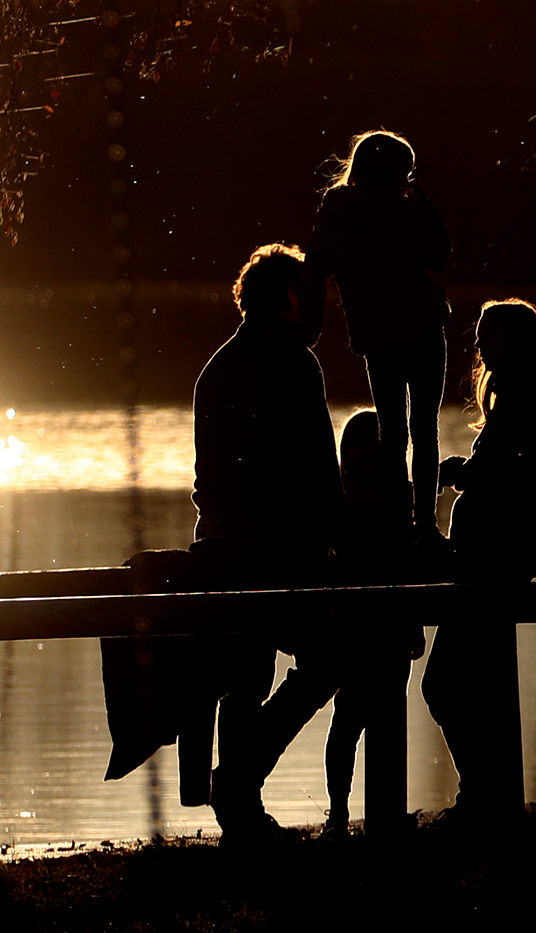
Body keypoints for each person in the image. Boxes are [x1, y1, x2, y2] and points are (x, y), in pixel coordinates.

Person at [191, 242, 346, 845]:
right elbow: (318, 466)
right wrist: (336, 537)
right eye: (307, 295)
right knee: (328, 657)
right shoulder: (295, 365)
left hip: (228, 546)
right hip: (281, 549)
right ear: (287, 297)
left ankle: (240, 804)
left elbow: (212, 479)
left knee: (245, 676)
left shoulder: (217, 367)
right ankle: (238, 782)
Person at [422, 299, 536, 820]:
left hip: (492, 557)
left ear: (519, 341)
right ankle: (488, 796)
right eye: (479, 336)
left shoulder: (524, 401)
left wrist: (465, 474)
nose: (480, 346)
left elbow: (517, 479)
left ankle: (481, 794)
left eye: (491, 336)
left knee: (444, 684)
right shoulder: (518, 400)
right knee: (475, 684)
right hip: (486, 555)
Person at [299, 130, 452, 545]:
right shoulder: (399, 208)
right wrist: (424, 207)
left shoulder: (335, 210)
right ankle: (425, 524)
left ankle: (396, 524)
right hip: (422, 329)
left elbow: (315, 269)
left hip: (376, 337)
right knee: (424, 430)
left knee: (392, 432)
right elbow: (438, 254)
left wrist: (305, 332)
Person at [322, 409, 427, 837]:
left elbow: (411, 563)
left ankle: (387, 812)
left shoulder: (401, 498)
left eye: (376, 445)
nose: (369, 454)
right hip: (352, 627)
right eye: (359, 445)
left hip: (393, 625)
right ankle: (339, 813)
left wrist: (415, 623)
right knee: (346, 721)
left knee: (388, 716)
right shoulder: (336, 500)